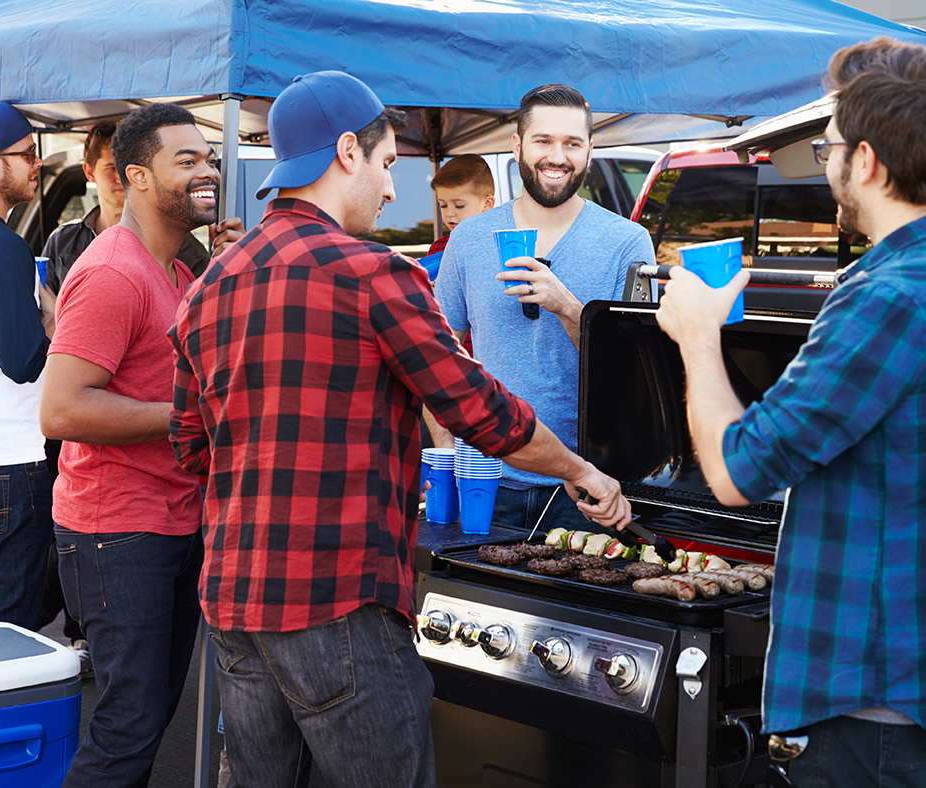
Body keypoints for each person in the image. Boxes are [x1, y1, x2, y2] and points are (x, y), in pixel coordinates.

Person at [169, 70, 631, 788]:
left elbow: (191, 447)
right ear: (348, 152)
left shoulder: (211, 284)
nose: (392, 191)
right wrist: (582, 471)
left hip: (233, 604)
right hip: (338, 602)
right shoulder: (373, 271)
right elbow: (477, 408)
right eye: (389, 166)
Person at [655, 37, 926, 788]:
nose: (823, 157)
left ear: (865, 162)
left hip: (873, 704)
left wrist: (699, 337)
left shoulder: (889, 295)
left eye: (828, 142)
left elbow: (740, 470)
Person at [39, 103, 241, 788]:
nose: (207, 168)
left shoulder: (181, 273)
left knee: (147, 718)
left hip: (170, 522)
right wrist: (187, 417)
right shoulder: (113, 272)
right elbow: (62, 407)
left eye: (208, 157)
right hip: (116, 531)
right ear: (137, 178)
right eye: (186, 159)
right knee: (128, 724)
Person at [435, 84, 655, 534]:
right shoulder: (469, 238)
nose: (558, 156)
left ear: (590, 150)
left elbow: (637, 380)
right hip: (485, 481)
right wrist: (446, 454)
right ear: (517, 145)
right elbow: (437, 359)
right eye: (543, 141)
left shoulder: (628, 242)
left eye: (572, 143)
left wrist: (569, 307)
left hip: (588, 487)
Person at [0, 101, 56, 629]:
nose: (38, 164)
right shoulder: (5, 248)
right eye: (27, 154)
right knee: (7, 638)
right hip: (8, 464)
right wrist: (57, 322)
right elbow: (23, 363)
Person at [42, 120, 239, 293]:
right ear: (89, 172)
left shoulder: (183, 246)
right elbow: (44, 308)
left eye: (211, 162)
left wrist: (234, 268)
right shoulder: (63, 240)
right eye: (112, 168)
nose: (122, 176)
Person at [427, 153, 495, 255]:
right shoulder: (438, 247)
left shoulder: (497, 245)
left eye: (459, 205)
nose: (449, 213)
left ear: (487, 204)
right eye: (443, 205)